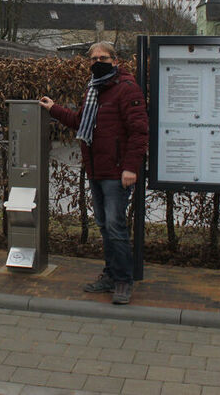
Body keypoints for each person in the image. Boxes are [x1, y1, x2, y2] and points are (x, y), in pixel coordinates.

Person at [40, 42, 148, 305]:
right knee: (104, 226)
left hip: (117, 171)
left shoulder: (126, 88)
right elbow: (81, 122)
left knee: (115, 225)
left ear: (115, 59)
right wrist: (54, 108)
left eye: (103, 57)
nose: (98, 61)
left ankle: (123, 281)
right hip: (97, 169)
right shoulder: (93, 88)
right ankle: (111, 275)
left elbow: (139, 131)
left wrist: (131, 168)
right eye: (94, 58)